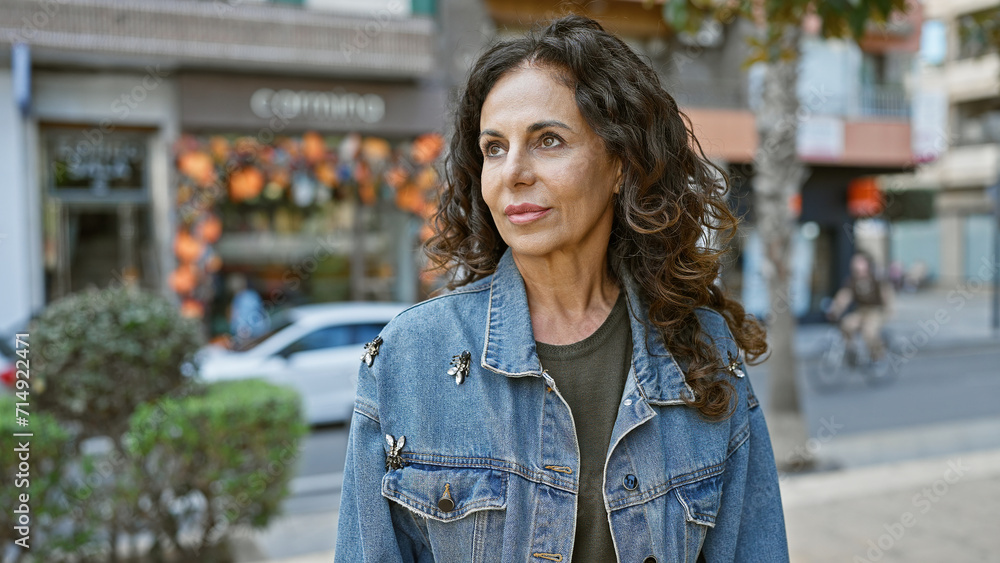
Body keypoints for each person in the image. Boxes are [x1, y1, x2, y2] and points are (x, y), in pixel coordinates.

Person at [336, 16, 788, 562]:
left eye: (548, 140)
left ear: (620, 163)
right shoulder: (409, 357)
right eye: (495, 148)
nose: (514, 172)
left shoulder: (705, 353)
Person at [827, 252, 894, 360]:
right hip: (861, 311)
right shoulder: (852, 281)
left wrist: (888, 310)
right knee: (846, 325)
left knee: (869, 333)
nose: (856, 265)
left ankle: (878, 356)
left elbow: (886, 294)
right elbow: (844, 297)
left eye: (859, 262)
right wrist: (835, 309)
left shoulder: (876, 279)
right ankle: (852, 350)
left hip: (875, 311)